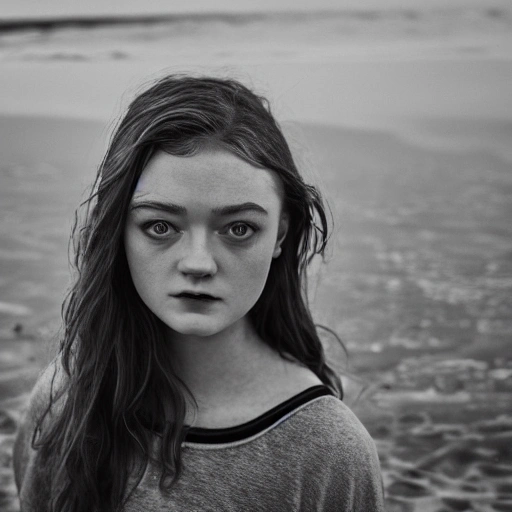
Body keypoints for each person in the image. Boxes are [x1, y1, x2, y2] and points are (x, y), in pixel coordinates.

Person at [13, 74, 385, 511]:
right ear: (118, 231)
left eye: (239, 229)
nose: (198, 262)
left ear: (280, 235)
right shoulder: (69, 397)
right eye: (160, 226)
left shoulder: (328, 452)